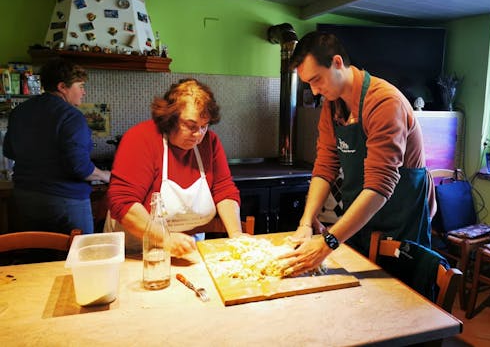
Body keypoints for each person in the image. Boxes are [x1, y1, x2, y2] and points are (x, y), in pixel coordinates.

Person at [280, 31, 435, 277]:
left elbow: (379, 186)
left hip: (399, 225)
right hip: (358, 224)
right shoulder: (333, 106)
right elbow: (325, 166)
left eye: (317, 80)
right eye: (309, 83)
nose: (315, 91)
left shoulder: (385, 103)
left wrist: (328, 242)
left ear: (337, 63)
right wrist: (306, 222)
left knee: (399, 302)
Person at [106, 78, 243, 257]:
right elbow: (123, 202)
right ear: (170, 118)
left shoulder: (210, 142)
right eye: (190, 125)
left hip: (187, 250)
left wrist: (236, 235)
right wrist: (165, 239)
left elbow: (224, 190)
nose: (198, 135)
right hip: (133, 250)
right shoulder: (140, 138)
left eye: (204, 126)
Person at [3, 58, 110, 234]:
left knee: (38, 257)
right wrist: (106, 175)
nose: (83, 92)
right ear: (62, 87)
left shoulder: (21, 111)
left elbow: (9, 150)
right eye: (80, 86)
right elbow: (80, 168)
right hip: (64, 200)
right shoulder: (71, 116)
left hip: (25, 196)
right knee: (77, 256)